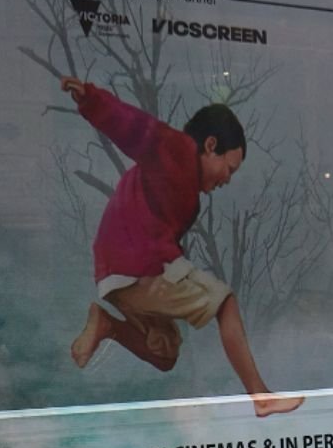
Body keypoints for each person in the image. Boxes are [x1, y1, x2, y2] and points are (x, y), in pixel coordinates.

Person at [60, 76, 302, 417]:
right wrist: (92, 100)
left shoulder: (186, 192)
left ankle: (107, 325)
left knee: (164, 354)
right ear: (209, 145)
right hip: (137, 265)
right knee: (225, 302)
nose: (227, 179)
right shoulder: (175, 149)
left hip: (117, 274)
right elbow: (133, 127)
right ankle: (260, 396)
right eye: (228, 168)